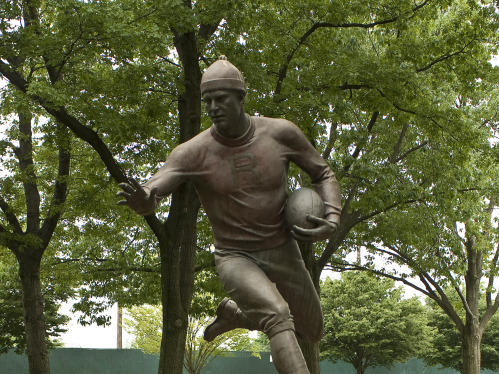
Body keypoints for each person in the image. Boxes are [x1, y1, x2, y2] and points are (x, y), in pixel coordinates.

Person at [117, 56, 341, 374]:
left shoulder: (280, 134)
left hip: (282, 248)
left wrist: (332, 217)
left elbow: (322, 173)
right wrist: (145, 199)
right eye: (207, 100)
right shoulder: (193, 152)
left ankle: (236, 316)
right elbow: (157, 185)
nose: (212, 107)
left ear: (241, 97)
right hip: (235, 256)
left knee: (312, 330)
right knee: (278, 314)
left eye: (220, 98)